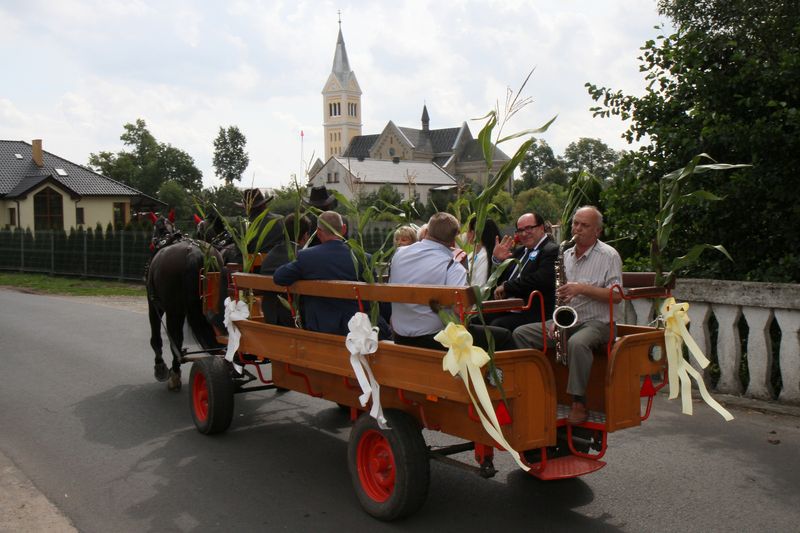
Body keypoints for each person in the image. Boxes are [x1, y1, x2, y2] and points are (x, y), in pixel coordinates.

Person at [512, 206, 623, 425]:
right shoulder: (566, 254)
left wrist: (582, 288)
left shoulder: (609, 255)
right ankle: (537, 391)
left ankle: (579, 403)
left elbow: (617, 295)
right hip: (569, 319)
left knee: (577, 343)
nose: (577, 229)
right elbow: (561, 293)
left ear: (597, 231)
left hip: (599, 322)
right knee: (521, 333)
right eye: (575, 223)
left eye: (584, 225)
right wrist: (556, 318)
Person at [389, 212, 513, 351]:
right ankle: (495, 373)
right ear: (453, 239)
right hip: (438, 340)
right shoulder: (452, 267)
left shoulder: (399, 254)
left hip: (400, 336)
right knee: (504, 337)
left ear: (427, 231)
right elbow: (461, 311)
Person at [273, 211, 385, 337]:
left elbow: (279, 277)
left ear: (319, 232)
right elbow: (375, 295)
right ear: (344, 229)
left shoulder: (308, 257)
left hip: (321, 329)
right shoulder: (364, 258)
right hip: (358, 330)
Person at [488, 212, 558, 331]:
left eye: (529, 228)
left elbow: (540, 279)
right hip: (508, 307)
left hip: (532, 312)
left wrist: (507, 287)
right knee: (475, 319)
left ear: (541, 228)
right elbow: (499, 281)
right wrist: (498, 261)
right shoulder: (520, 252)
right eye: (520, 230)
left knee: (496, 326)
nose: (524, 233)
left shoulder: (551, 250)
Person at [260, 213, 311, 327]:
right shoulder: (303, 256)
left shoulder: (270, 255)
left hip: (269, 316)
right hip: (293, 319)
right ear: (305, 236)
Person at [465, 218, 501, 287]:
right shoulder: (473, 254)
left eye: (468, 230)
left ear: (473, 233)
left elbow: (480, 286)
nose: (466, 233)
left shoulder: (485, 256)